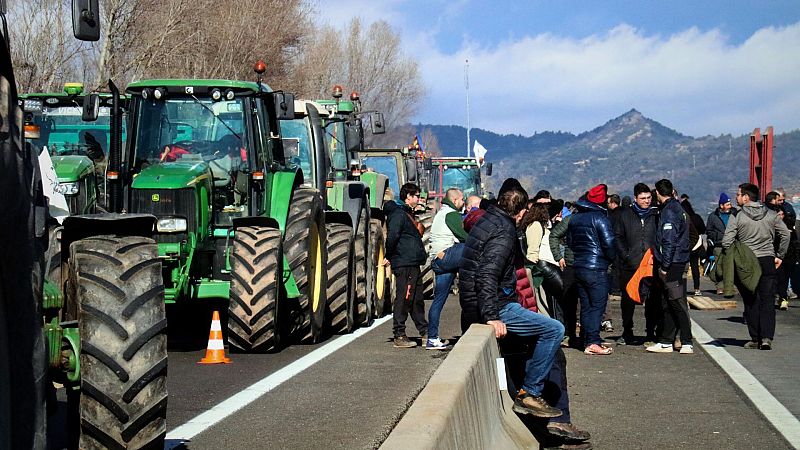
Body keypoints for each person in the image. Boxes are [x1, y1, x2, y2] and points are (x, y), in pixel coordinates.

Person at [459, 186, 565, 418]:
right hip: (497, 305)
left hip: (474, 302)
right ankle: (530, 393)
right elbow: (487, 273)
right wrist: (491, 316)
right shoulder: (504, 231)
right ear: (521, 211)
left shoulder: (487, 220)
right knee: (554, 329)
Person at [722, 183, 790, 350]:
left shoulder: (737, 216)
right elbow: (785, 234)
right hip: (767, 259)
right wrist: (779, 255)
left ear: (746, 197)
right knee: (767, 299)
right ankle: (766, 338)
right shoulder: (771, 214)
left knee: (751, 299)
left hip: (747, 262)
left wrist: (737, 252)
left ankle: (755, 337)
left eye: (738, 194)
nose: (736, 197)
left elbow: (726, 241)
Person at [567, 184, 616, 355]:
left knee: (586, 306)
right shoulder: (600, 218)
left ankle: (586, 339)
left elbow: (570, 242)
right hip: (596, 267)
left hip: (579, 265)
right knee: (597, 306)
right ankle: (593, 341)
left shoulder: (574, 218)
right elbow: (609, 243)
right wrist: (610, 258)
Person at [647, 179, 693, 354]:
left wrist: (665, 266)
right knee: (668, 301)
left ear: (658, 193)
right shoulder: (679, 208)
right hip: (678, 259)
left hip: (673, 262)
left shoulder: (669, 212)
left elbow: (669, 240)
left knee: (675, 301)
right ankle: (666, 340)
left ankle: (686, 340)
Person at [612, 183, 659, 345]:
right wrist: (625, 255)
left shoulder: (655, 215)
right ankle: (627, 330)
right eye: (642, 198)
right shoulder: (625, 215)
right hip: (630, 264)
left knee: (652, 300)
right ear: (635, 198)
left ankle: (650, 332)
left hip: (650, 264)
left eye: (648, 198)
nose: (646, 201)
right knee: (627, 300)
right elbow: (617, 237)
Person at [384, 183, 428, 348]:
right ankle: (399, 334)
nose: (419, 199)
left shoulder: (406, 212)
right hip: (404, 262)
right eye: (416, 196)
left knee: (416, 299)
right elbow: (393, 236)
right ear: (408, 197)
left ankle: (426, 333)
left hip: (412, 262)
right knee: (404, 298)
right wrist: (389, 255)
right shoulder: (398, 214)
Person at [426, 188, 467, 350]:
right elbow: (465, 236)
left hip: (438, 260)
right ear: (455, 200)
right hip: (446, 257)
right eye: (462, 199)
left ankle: (432, 338)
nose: (463, 202)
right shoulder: (451, 214)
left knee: (439, 300)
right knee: (472, 247)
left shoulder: (441, 214)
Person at [706, 193, 735, 295]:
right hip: (718, 245)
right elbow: (709, 230)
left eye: (730, 204)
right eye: (727, 204)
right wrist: (716, 237)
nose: (729, 206)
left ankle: (729, 287)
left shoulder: (734, 214)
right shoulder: (713, 216)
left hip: (732, 244)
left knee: (730, 266)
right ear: (721, 205)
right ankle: (720, 286)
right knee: (719, 266)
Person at [681, 200, 706, 296]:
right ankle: (697, 288)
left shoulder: (683, 218)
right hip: (696, 245)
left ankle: (681, 289)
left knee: (682, 268)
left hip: (684, 245)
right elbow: (703, 230)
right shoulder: (696, 217)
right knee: (695, 267)